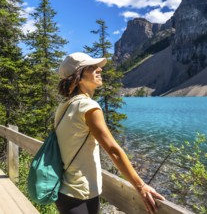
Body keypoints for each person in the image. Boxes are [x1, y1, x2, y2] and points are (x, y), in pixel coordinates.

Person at [55, 52, 165, 214]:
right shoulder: (88, 106)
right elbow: (113, 151)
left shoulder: (64, 106)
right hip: (80, 192)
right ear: (78, 76)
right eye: (92, 67)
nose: (99, 69)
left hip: (65, 189)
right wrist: (141, 186)